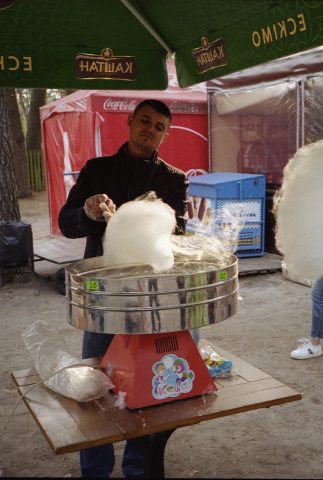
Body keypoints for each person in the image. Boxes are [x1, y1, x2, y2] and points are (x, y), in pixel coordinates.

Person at [59, 99, 188, 478]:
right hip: (102, 295)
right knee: (95, 385)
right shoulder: (98, 170)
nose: (150, 129)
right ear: (130, 123)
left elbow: (178, 234)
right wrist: (87, 211)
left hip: (151, 299)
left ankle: (137, 468)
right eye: (144, 121)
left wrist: (156, 228)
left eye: (159, 125)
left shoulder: (173, 178)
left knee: (142, 386)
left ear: (165, 133)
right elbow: (67, 223)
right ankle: (95, 469)